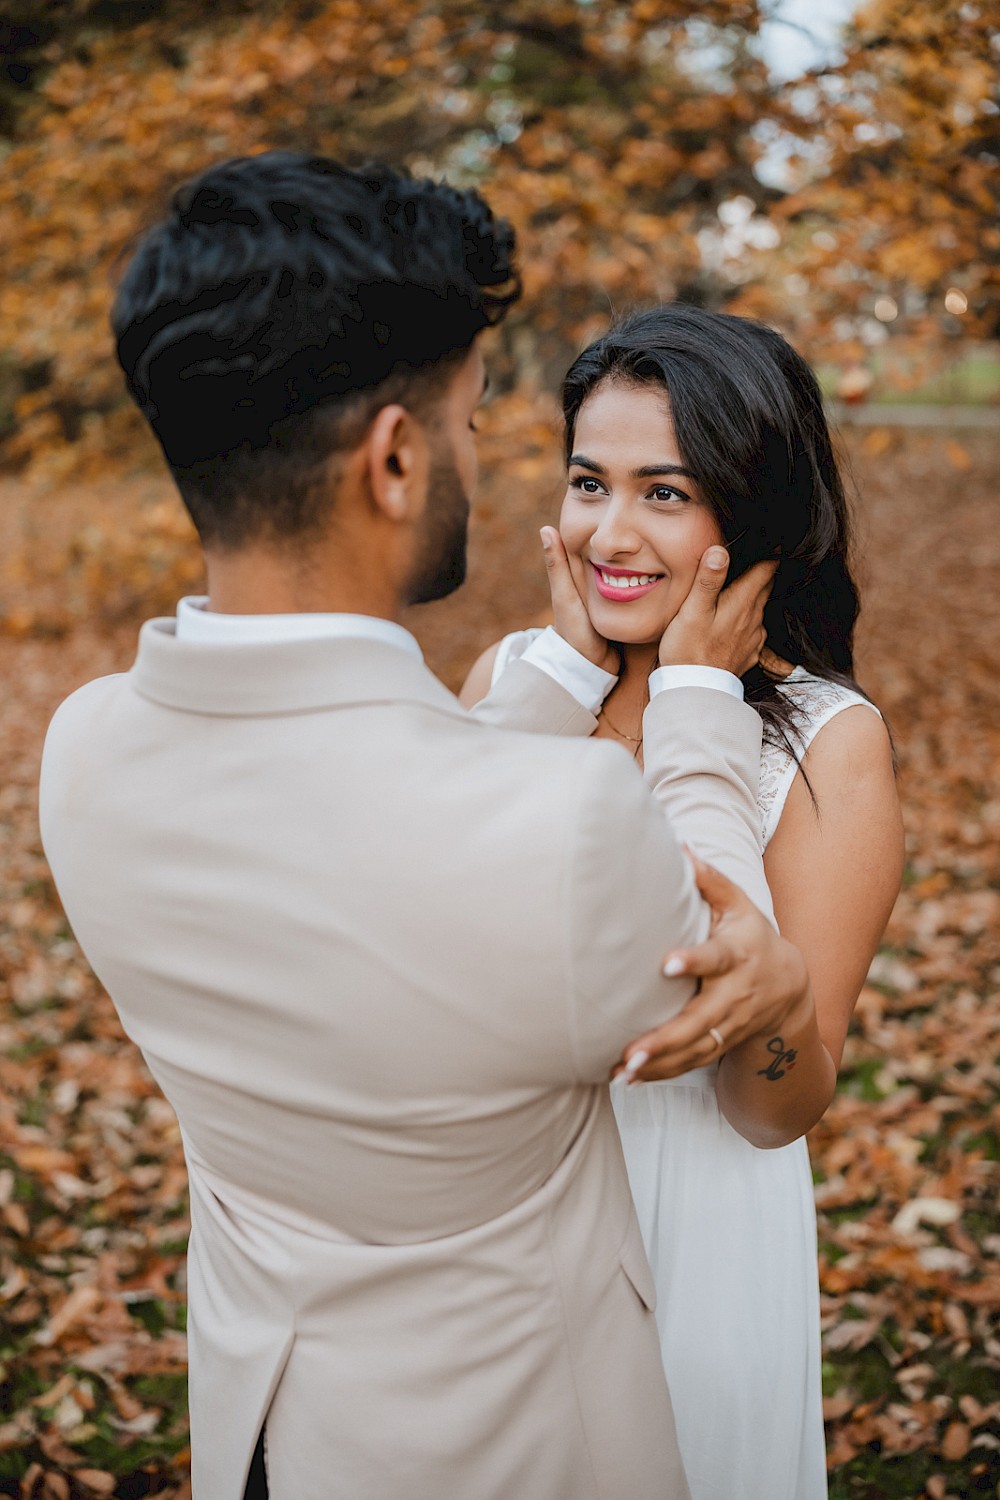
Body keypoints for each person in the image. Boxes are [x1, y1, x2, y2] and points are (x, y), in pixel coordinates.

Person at [38, 155, 811, 1500]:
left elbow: (393, 835)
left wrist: (563, 677)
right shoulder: (569, 826)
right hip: (510, 1456)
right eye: (464, 422)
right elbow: (726, 965)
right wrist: (691, 698)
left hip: (271, 1436)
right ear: (396, 461)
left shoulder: (88, 750)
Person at [462, 304, 904, 1500]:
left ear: (750, 513)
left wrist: (769, 1012)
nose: (609, 532)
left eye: (664, 493)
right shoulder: (510, 681)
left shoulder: (827, 743)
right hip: (501, 1230)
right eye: (587, 483)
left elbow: (780, 1111)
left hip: (698, 1227)